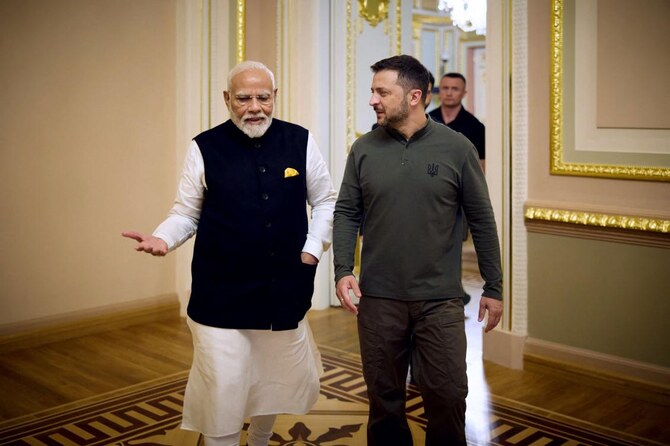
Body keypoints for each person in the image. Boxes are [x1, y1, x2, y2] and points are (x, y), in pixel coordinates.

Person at [122, 60, 336, 446]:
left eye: (263, 97)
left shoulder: (300, 140)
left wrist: (311, 251)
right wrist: (163, 239)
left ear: (275, 97)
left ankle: (259, 439)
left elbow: (325, 201)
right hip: (219, 292)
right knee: (224, 383)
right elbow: (185, 213)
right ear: (227, 99)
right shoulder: (204, 147)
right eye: (243, 98)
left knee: (274, 376)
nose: (254, 106)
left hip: (283, 287)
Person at [333, 55, 502, 445]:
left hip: (439, 301)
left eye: (381, 92)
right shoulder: (363, 149)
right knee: (384, 403)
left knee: (447, 397)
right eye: (372, 91)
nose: (372, 100)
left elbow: (482, 218)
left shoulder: (457, 148)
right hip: (377, 301)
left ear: (413, 96)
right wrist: (343, 268)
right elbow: (346, 211)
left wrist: (494, 286)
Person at [429, 72, 485, 172]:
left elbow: (480, 166)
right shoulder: (428, 120)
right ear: (439, 91)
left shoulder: (476, 127)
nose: (449, 93)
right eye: (445, 88)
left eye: (455, 89)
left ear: (464, 93)